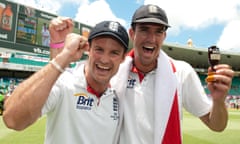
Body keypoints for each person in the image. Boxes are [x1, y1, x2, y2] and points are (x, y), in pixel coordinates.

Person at [110, 4, 234, 144]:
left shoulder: (182, 72)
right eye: (144, 30)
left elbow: (217, 125)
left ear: (164, 36)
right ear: (132, 34)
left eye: (158, 32)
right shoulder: (114, 72)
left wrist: (218, 101)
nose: (151, 39)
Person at [3, 19, 129, 144]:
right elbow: (12, 119)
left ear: (123, 58)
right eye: (99, 49)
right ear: (88, 49)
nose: (105, 60)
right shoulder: (64, 83)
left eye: (114, 53)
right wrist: (65, 55)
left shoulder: (117, 94)